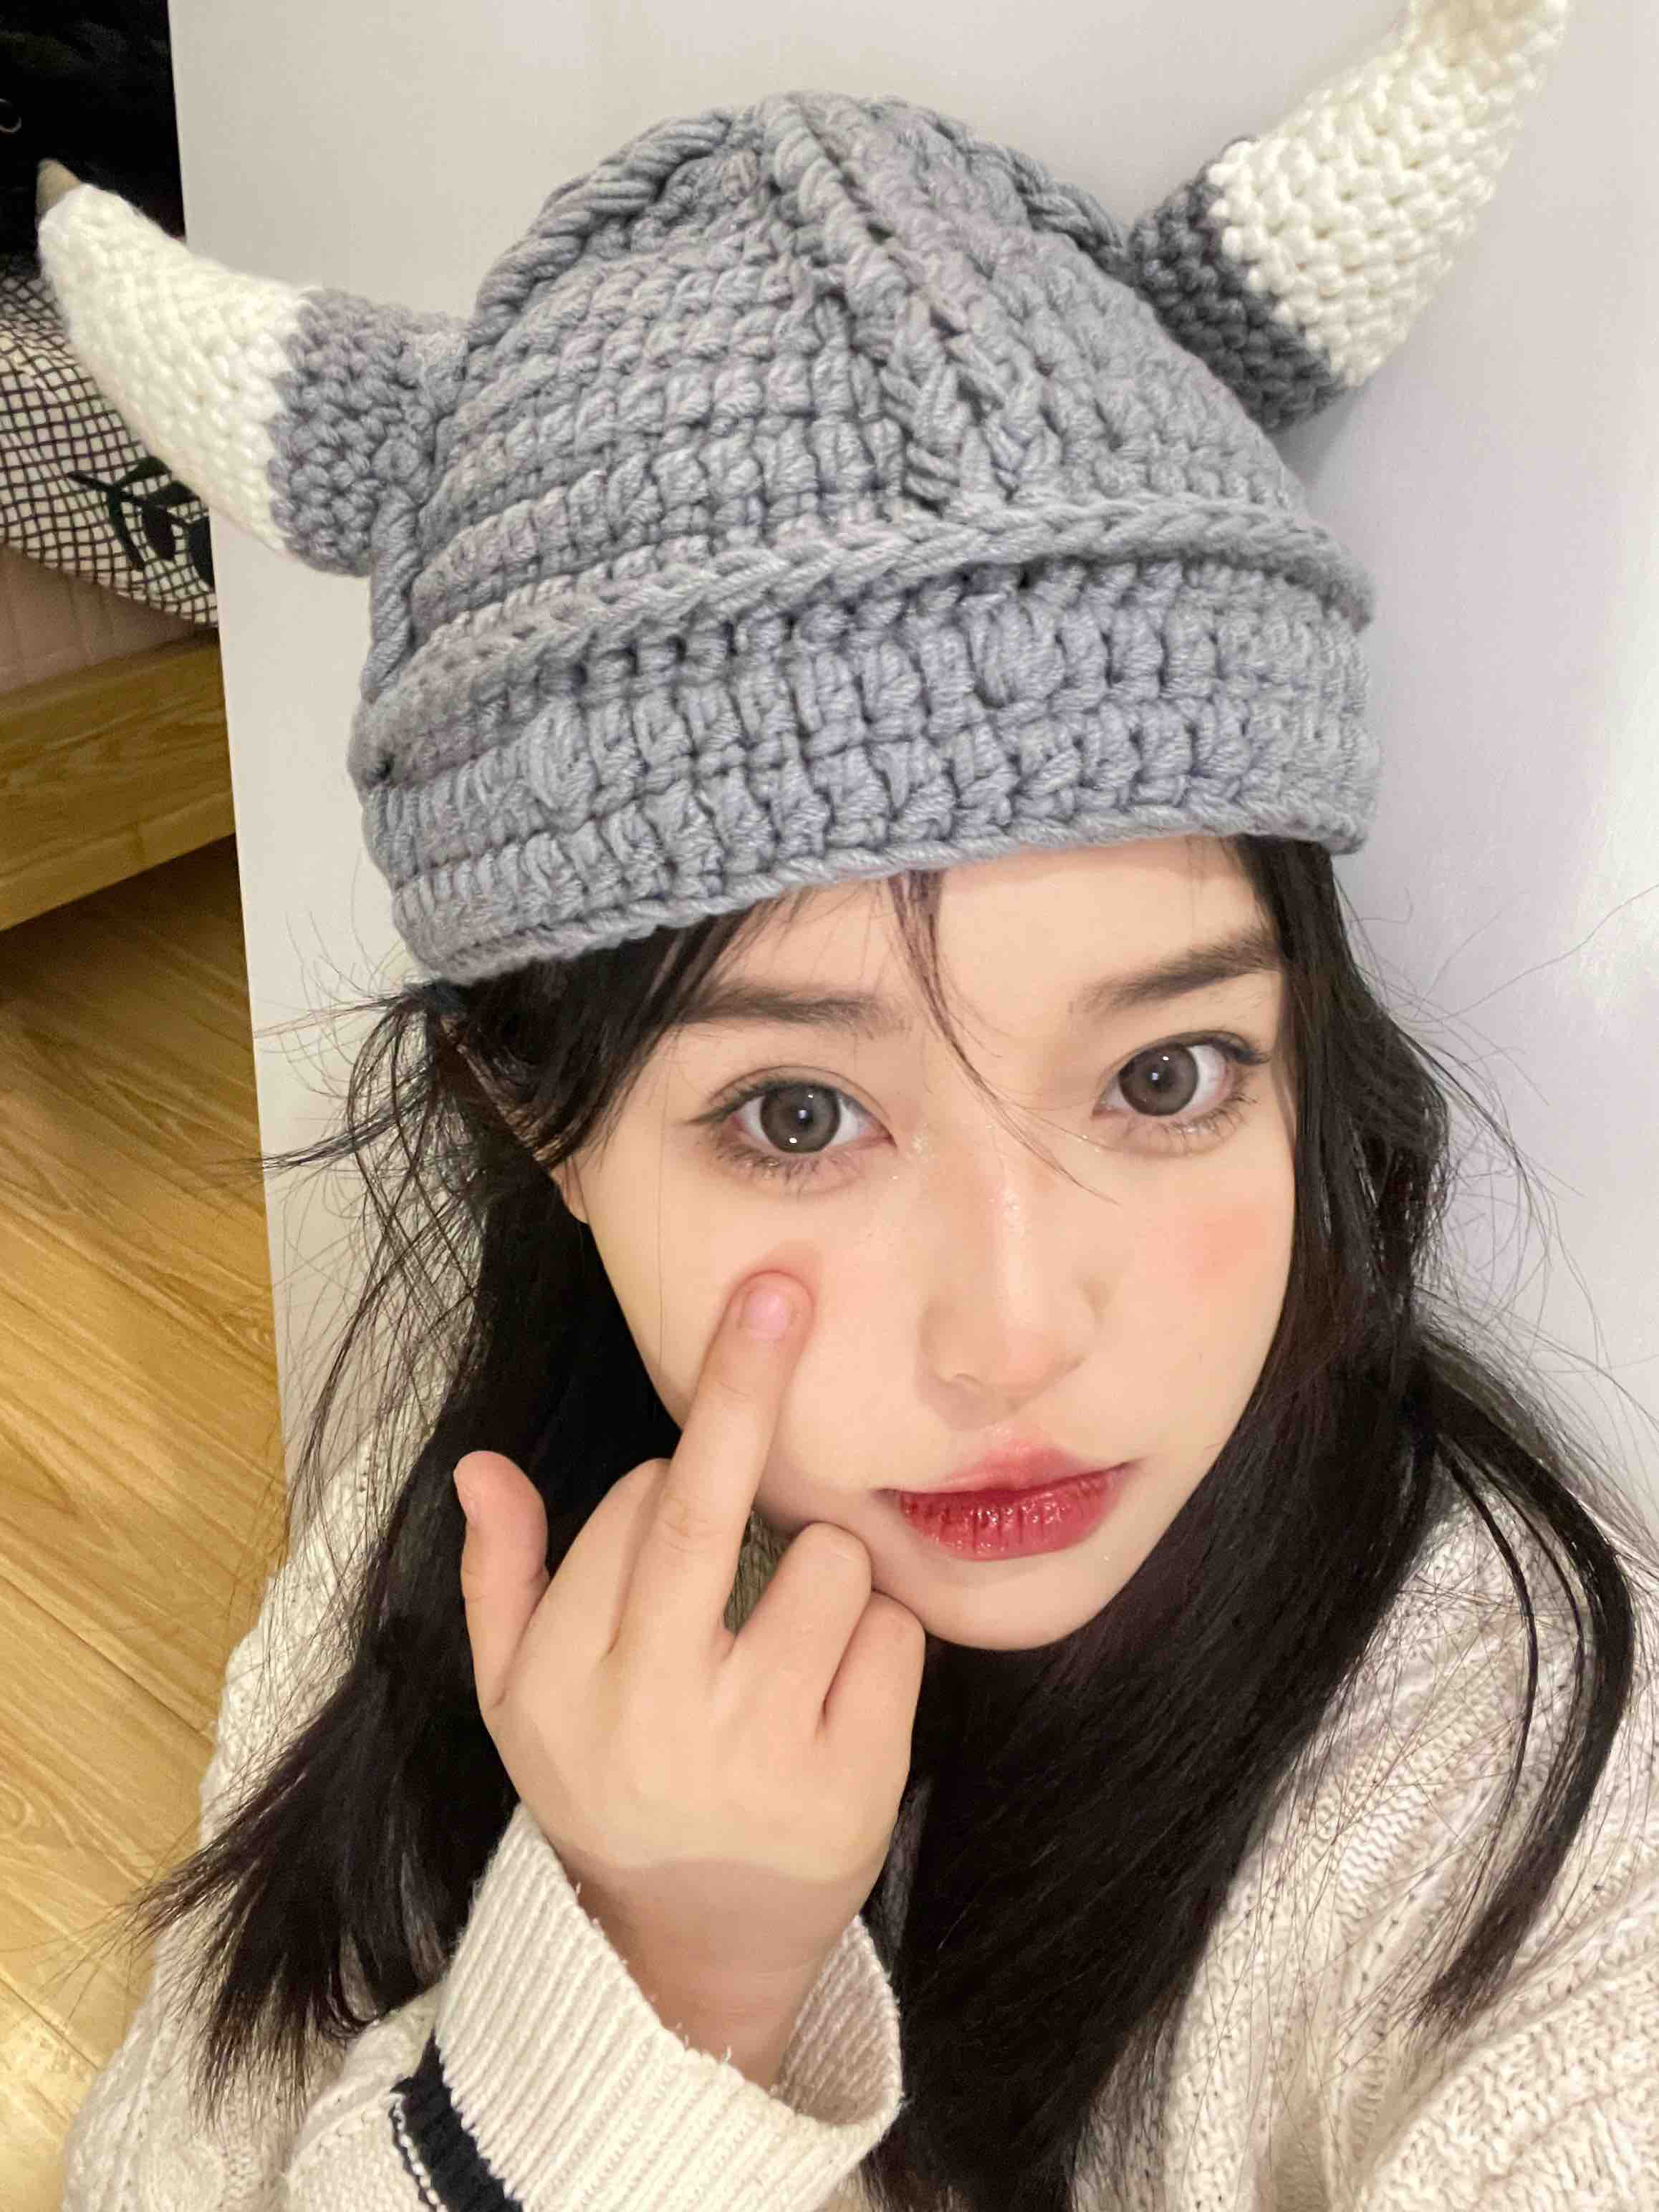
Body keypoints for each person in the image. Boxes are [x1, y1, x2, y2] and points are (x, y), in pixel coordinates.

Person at [37, 4, 1659, 2206]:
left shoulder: (1543, 1830)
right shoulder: (460, 1523)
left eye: (1163, 1075)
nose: (1012, 1331)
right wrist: (643, 1998)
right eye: (798, 1114)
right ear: (531, 1110)